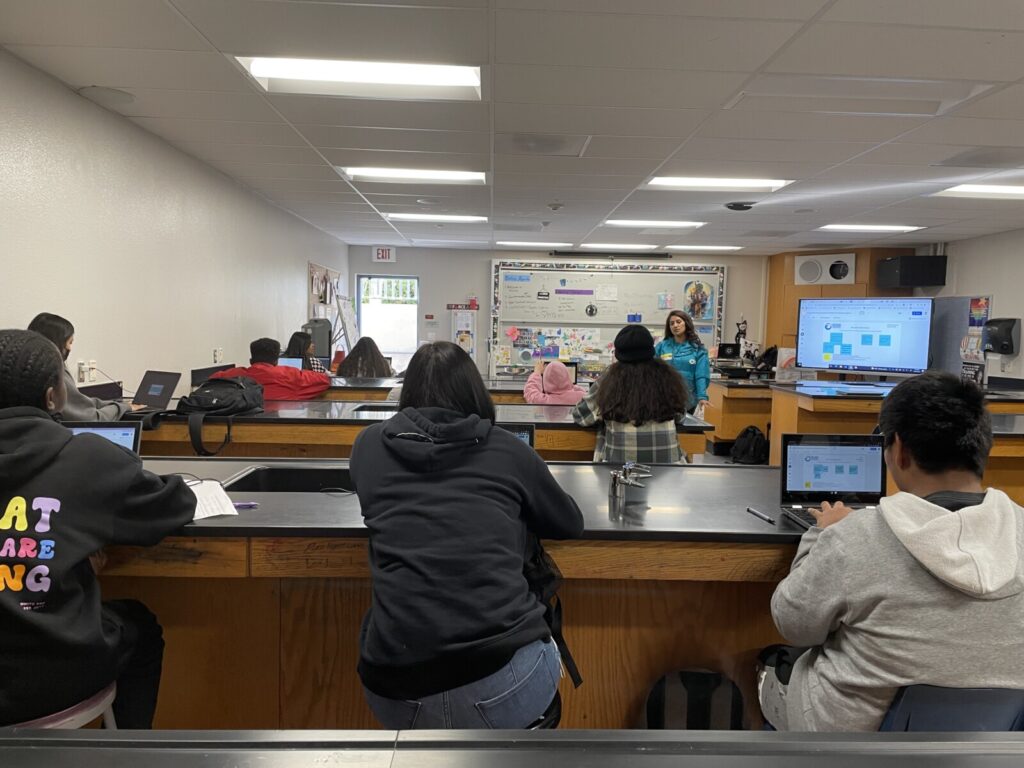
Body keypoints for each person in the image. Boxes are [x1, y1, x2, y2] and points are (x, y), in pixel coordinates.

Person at [759, 372, 1024, 732]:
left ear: (898, 450)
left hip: (855, 744)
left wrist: (822, 534)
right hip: (991, 744)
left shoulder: (855, 538)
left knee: (768, 669)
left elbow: (793, 624)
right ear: (983, 446)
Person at [349, 341, 584, 729]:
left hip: (396, 692)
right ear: (474, 390)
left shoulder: (368, 446)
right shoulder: (509, 450)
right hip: (505, 684)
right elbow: (569, 523)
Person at [0, 329, 197, 727]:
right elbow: (175, 504)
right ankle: (129, 751)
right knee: (139, 624)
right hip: (49, 677)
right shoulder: (88, 457)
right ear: (55, 396)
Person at [571, 325, 689, 464]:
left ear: (618, 353)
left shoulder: (609, 378)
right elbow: (680, 416)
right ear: (651, 349)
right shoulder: (667, 376)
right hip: (669, 467)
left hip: (620, 468)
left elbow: (582, 416)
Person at [27, 312, 143, 421]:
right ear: (57, 343)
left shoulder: (27, 369)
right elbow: (92, 418)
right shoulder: (54, 373)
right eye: (70, 342)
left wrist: (118, 405)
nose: (70, 348)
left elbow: (81, 403)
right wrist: (123, 408)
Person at [211, 338, 330, 400]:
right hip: (282, 428)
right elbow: (324, 380)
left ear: (251, 361)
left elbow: (212, 379)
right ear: (276, 360)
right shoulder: (291, 374)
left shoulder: (235, 375)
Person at [654, 310, 710, 412]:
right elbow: (651, 370)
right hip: (664, 399)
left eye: (678, 322)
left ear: (686, 323)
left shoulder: (698, 349)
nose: (675, 325)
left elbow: (701, 375)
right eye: (671, 323)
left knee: (685, 427)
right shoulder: (662, 346)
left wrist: (702, 396)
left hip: (688, 399)